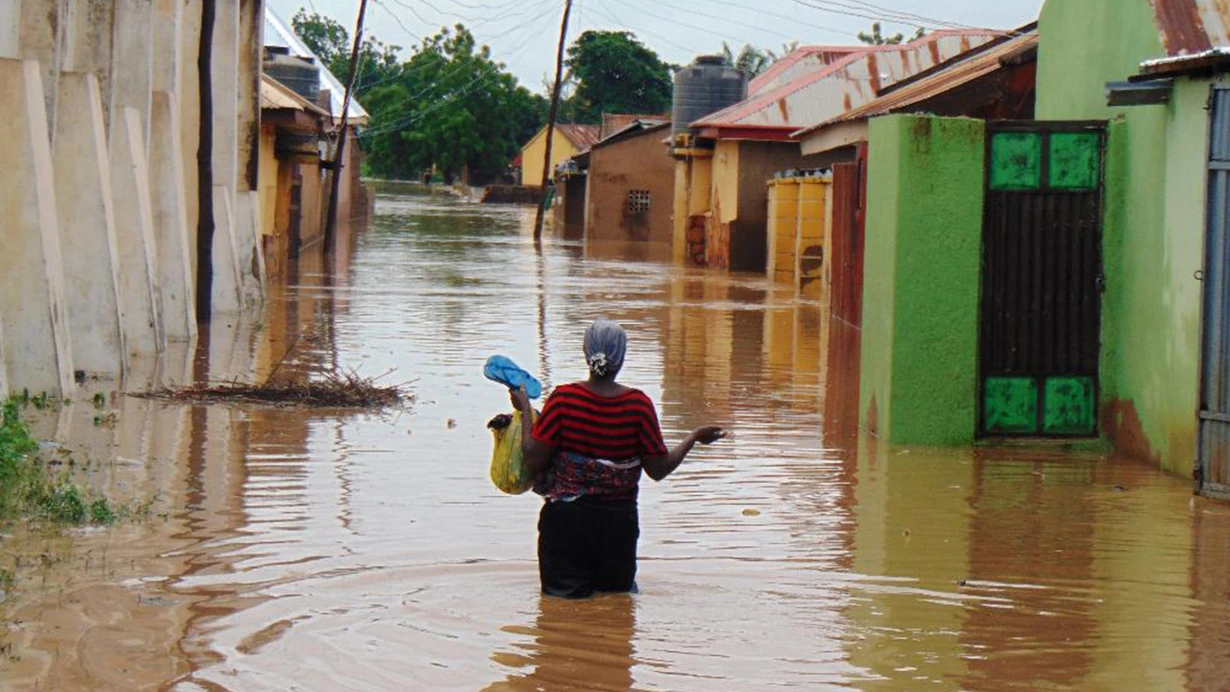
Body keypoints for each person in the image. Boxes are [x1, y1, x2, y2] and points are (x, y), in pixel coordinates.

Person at [509, 317, 726, 599]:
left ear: (586, 353)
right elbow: (658, 470)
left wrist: (525, 408)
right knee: (616, 607)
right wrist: (693, 437)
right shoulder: (638, 404)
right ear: (621, 358)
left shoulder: (563, 399)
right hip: (617, 525)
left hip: (566, 523)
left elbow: (533, 459)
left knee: (561, 612)